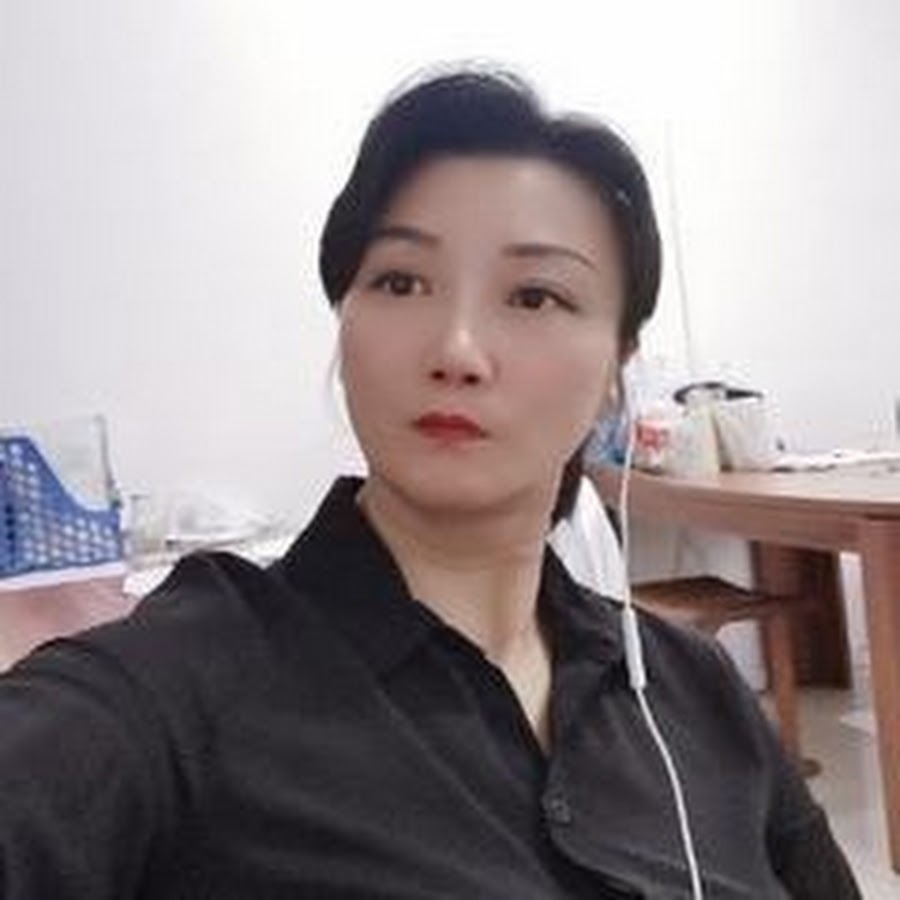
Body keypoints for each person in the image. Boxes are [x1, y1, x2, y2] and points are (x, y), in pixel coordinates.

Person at [0, 67, 860, 899]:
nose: (455, 350)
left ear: (616, 369)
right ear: (345, 323)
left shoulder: (694, 689)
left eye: (535, 296)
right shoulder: (177, 688)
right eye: (401, 281)